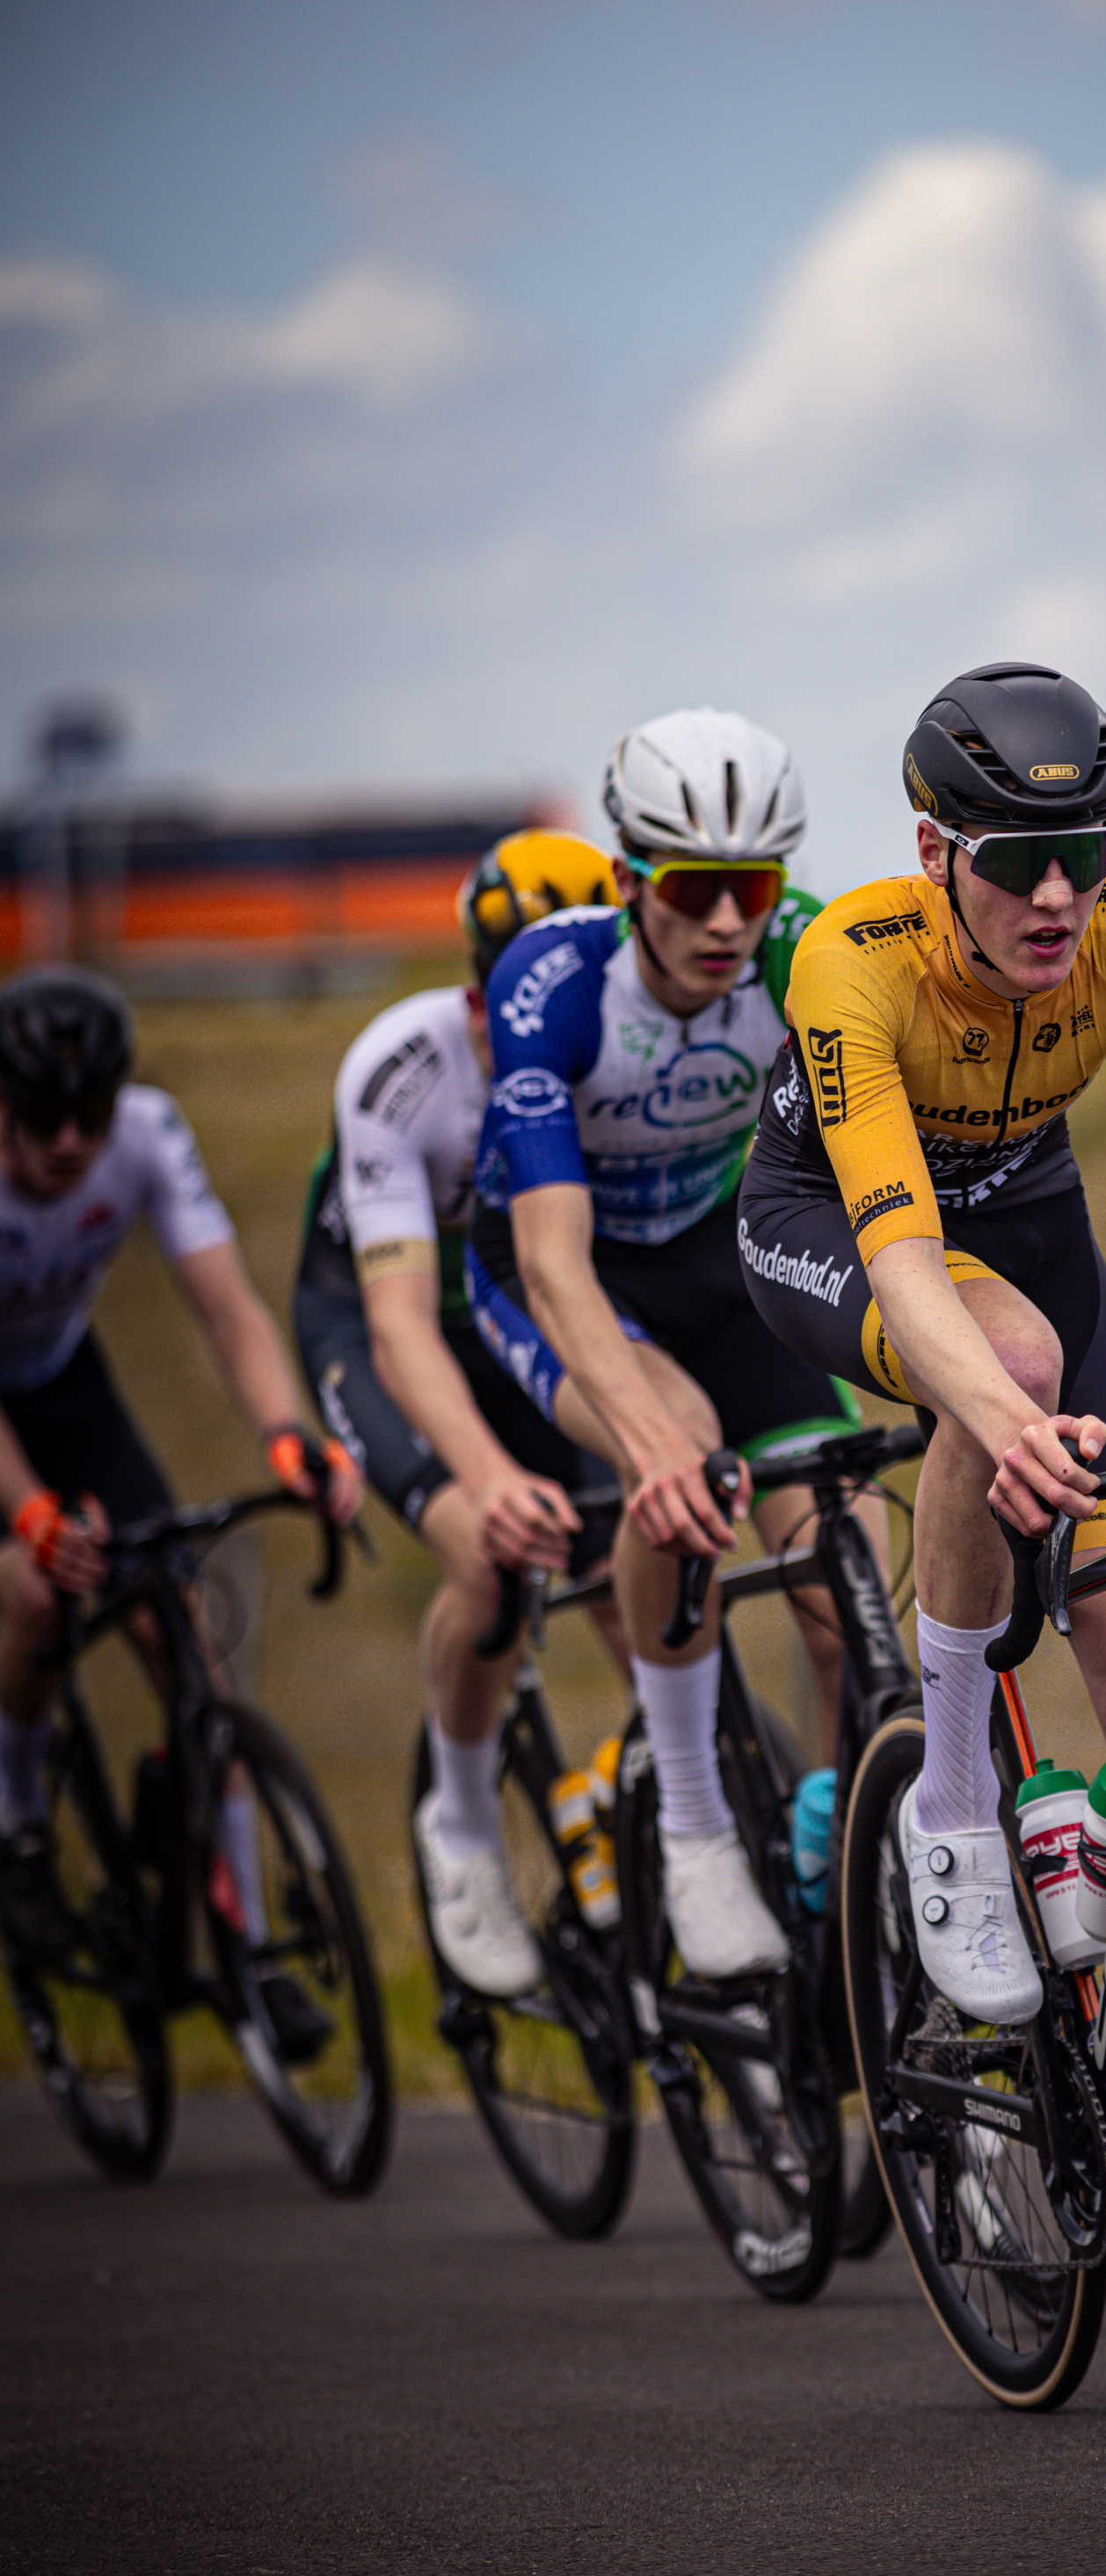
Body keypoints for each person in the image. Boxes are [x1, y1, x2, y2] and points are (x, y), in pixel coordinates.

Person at [739, 663, 1106, 2031]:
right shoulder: (851, 961)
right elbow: (908, 1259)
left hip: (1030, 1210)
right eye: (1021, 863)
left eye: (1088, 854)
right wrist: (1002, 1418)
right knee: (1013, 1374)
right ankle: (953, 1799)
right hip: (839, 1221)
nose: (1060, 898)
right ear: (935, 853)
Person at [466, 709, 876, 1982]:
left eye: (750, 888)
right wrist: (648, 1445)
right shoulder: (551, 982)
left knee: (839, 1574)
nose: (724, 923)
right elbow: (547, 1257)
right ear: (635, 880)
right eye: (693, 890)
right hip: (561, 1270)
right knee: (683, 1458)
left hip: (712, 1252)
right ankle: (696, 1827)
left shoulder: (802, 953)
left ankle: (848, 1846)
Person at [294, 830, 627, 2001]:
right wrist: (486, 1480)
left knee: (640, 1546)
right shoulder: (402, 1067)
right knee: (492, 1561)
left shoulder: (614, 1051)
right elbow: (395, 1328)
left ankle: (689, 1806)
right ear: (473, 990)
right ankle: (465, 1827)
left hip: (515, 1321)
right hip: (383, 1330)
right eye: (498, 994)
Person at [0, 964, 361, 2032]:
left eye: (90, 1114)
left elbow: (229, 1310)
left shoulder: (146, 1135)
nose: (71, 1141)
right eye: (45, 1117)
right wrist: (28, 1514)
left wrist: (288, 1435)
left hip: (62, 1383)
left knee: (187, 1634)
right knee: (30, 1599)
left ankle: (241, 1943)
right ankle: (16, 1825)